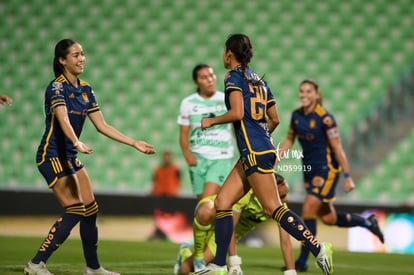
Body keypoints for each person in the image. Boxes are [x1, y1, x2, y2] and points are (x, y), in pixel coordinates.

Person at [190, 33, 333, 275]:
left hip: (255, 152)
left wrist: (211, 121)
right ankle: (218, 265)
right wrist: (262, 136)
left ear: (229, 53)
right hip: (256, 150)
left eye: (224, 50)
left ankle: (318, 248)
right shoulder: (259, 81)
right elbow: (274, 118)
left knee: (273, 209)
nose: (223, 55)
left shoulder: (233, 77)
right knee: (222, 203)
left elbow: (236, 113)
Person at [24, 38, 155, 275]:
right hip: (52, 155)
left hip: (70, 157)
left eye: (82, 53)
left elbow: (102, 125)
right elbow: (62, 118)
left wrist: (133, 142)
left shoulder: (85, 89)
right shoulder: (56, 87)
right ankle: (35, 263)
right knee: (75, 209)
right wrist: (76, 141)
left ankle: (93, 268)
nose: (82, 58)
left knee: (90, 210)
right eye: (75, 55)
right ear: (62, 60)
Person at [278, 79, 384, 272]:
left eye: (308, 91)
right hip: (309, 171)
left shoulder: (325, 119)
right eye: (301, 91)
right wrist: (277, 157)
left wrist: (348, 176)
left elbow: (337, 148)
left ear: (317, 95)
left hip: (327, 171)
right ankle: (367, 222)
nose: (304, 94)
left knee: (309, 206)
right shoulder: (296, 116)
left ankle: (302, 261)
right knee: (328, 218)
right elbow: (289, 139)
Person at [174, 173, 297, 275]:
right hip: (218, 215)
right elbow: (230, 227)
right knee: (206, 211)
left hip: (223, 234)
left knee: (185, 270)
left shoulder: (280, 209)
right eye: (282, 196)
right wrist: (234, 263)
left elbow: (286, 242)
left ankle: (185, 253)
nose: (286, 200)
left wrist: (291, 271)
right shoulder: (245, 194)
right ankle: (198, 253)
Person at [178, 64, 234, 270]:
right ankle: (194, 251)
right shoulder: (187, 103)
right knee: (204, 211)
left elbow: (236, 127)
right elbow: (183, 134)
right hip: (198, 160)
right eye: (204, 77)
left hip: (221, 158)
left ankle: (203, 256)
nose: (210, 79)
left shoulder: (225, 99)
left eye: (211, 75)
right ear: (196, 82)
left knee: (208, 207)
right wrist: (187, 154)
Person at [149, 150, 181, 240]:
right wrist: (153, 191)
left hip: (170, 195)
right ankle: (160, 232)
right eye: (165, 156)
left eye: (168, 156)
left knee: (169, 216)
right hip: (160, 195)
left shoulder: (175, 169)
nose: (166, 158)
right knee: (159, 215)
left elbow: (178, 181)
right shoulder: (158, 169)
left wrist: (176, 191)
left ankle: (168, 233)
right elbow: (154, 181)